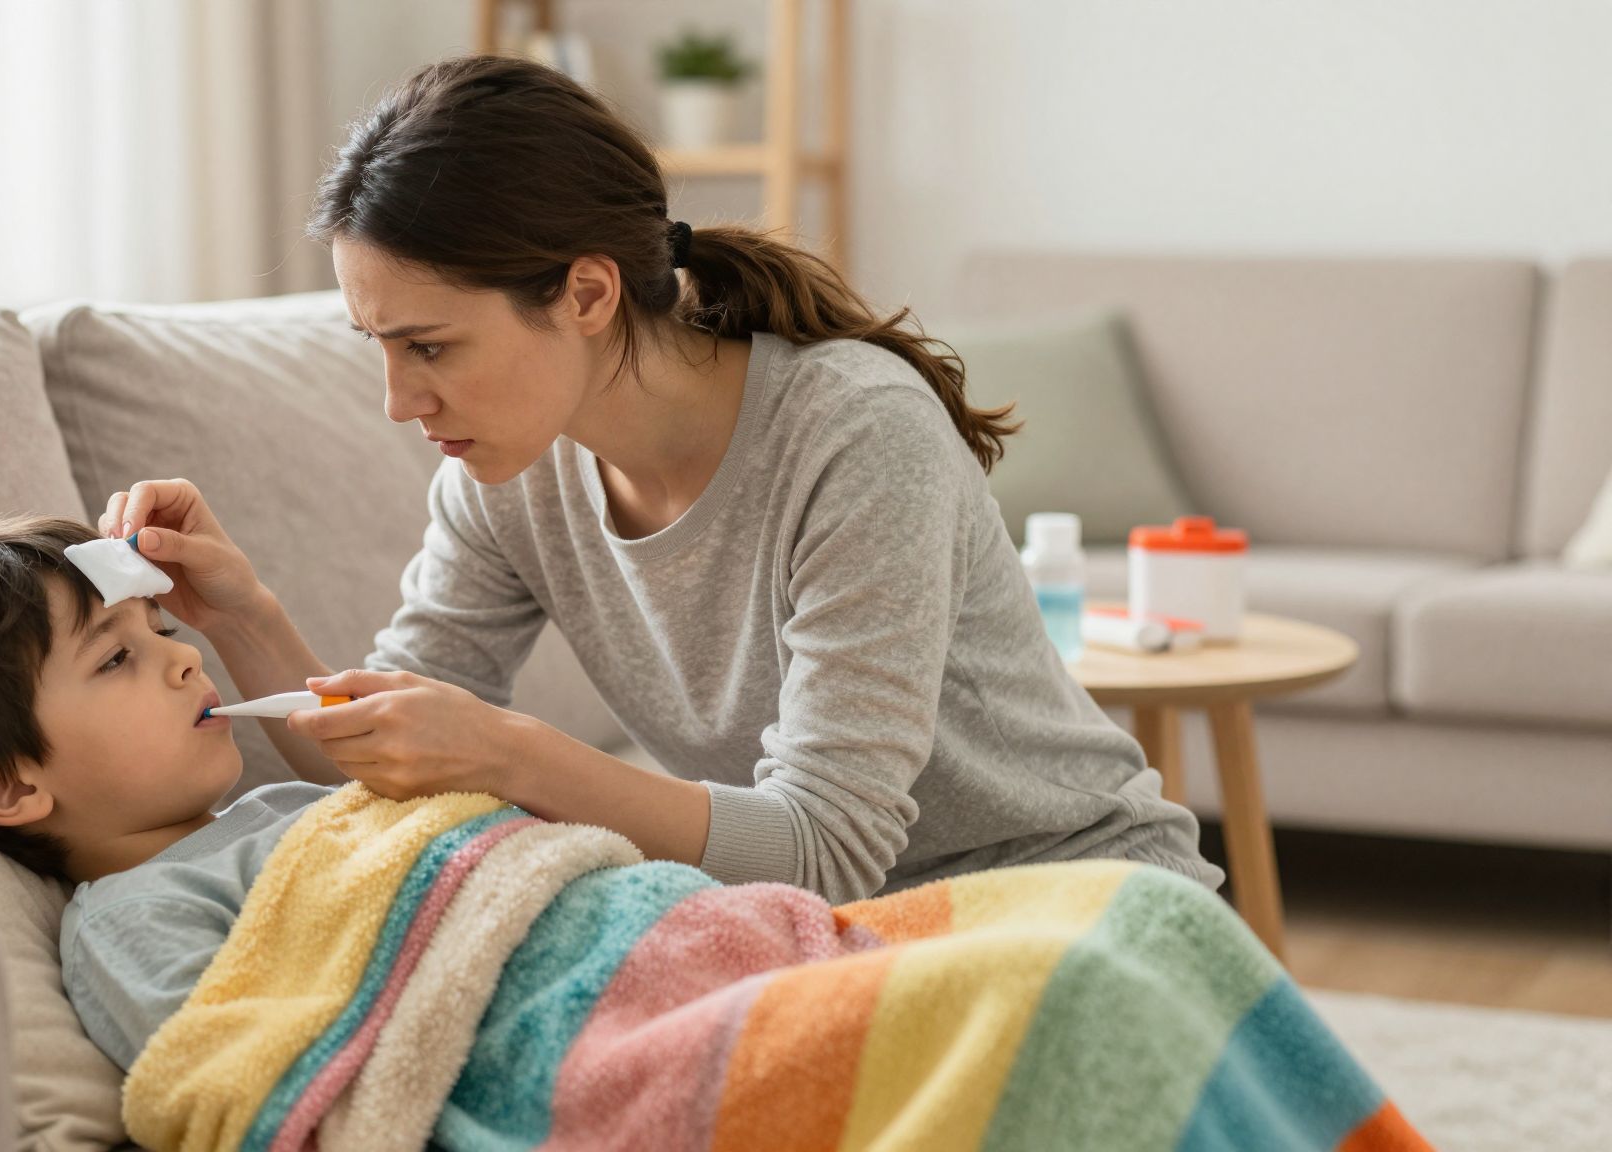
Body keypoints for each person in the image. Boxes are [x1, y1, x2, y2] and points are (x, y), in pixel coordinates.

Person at [108, 53, 1222, 907]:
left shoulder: (853, 433)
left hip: (1062, 889)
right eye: (378, 347)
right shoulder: (506, 479)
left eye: (431, 347)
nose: (400, 402)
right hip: (811, 927)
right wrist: (242, 614)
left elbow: (825, 846)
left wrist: (511, 754)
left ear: (587, 294)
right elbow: (385, 754)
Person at [0, 514, 334, 1070]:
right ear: (10, 786)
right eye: (115, 659)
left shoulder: (288, 803)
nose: (187, 658)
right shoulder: (134, 925)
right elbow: (248, 1082)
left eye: (160, 631)